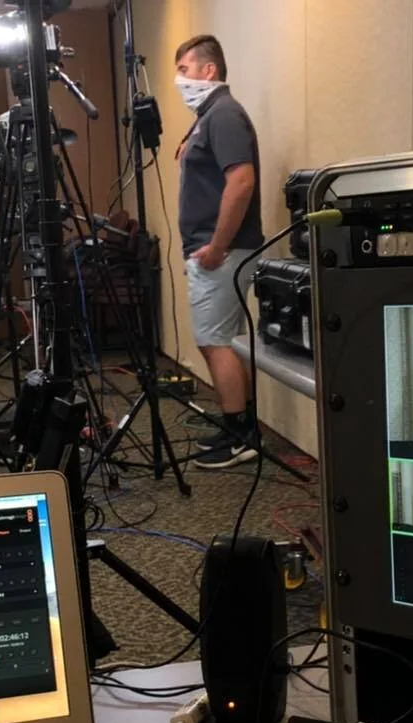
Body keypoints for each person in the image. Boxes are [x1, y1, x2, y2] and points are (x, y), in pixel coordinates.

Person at [173, 34, 265, 469]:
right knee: (224, 341)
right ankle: (239, 426)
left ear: (208, 70)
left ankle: (239, 437)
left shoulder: (224, 114)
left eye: (184, 70)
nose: (179, 80)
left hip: (222, 253)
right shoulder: (209, 116)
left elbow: (241, 182)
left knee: (214, 342)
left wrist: (217, 247)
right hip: (216, 250)